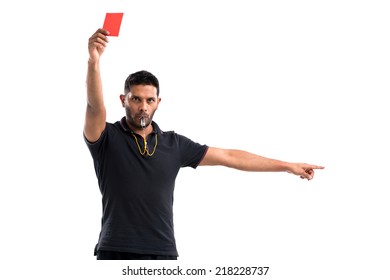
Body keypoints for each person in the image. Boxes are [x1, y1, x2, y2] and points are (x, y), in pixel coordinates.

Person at [84, 28, 324, 260]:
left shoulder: (174, 144)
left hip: (162, 251)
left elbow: (229, 156)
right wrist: (94, 62)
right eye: (136, 99)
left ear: (158, 102)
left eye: (149, 100)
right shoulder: (107, 137)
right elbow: (95, 106)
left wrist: (287, 165)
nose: (143, 106)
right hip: (114, 250)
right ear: (123, 99)